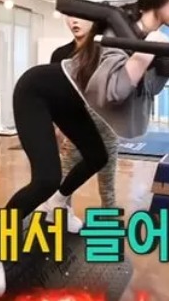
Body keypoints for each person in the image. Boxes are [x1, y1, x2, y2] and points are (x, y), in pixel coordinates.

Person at [0, 0, 169, 298]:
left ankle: (57, 205)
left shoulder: (147, 37)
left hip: (71, 100)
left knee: (96, 156)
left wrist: (163, 58)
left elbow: (148, 87)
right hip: (37, 91)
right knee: (45, 179)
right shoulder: (120, 26)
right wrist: (145, 53)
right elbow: (114, 91)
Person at [51, 14, 119, 217]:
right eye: (69, 17)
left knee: (107, 186)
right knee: (64, 183)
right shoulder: (61, 54)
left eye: (80, 17)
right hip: (76, 128)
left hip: (107, 127)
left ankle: (109, 223)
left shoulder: (108, 52)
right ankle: (62, 219)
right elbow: (56, 94)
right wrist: (58, 127)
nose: (74, 21)